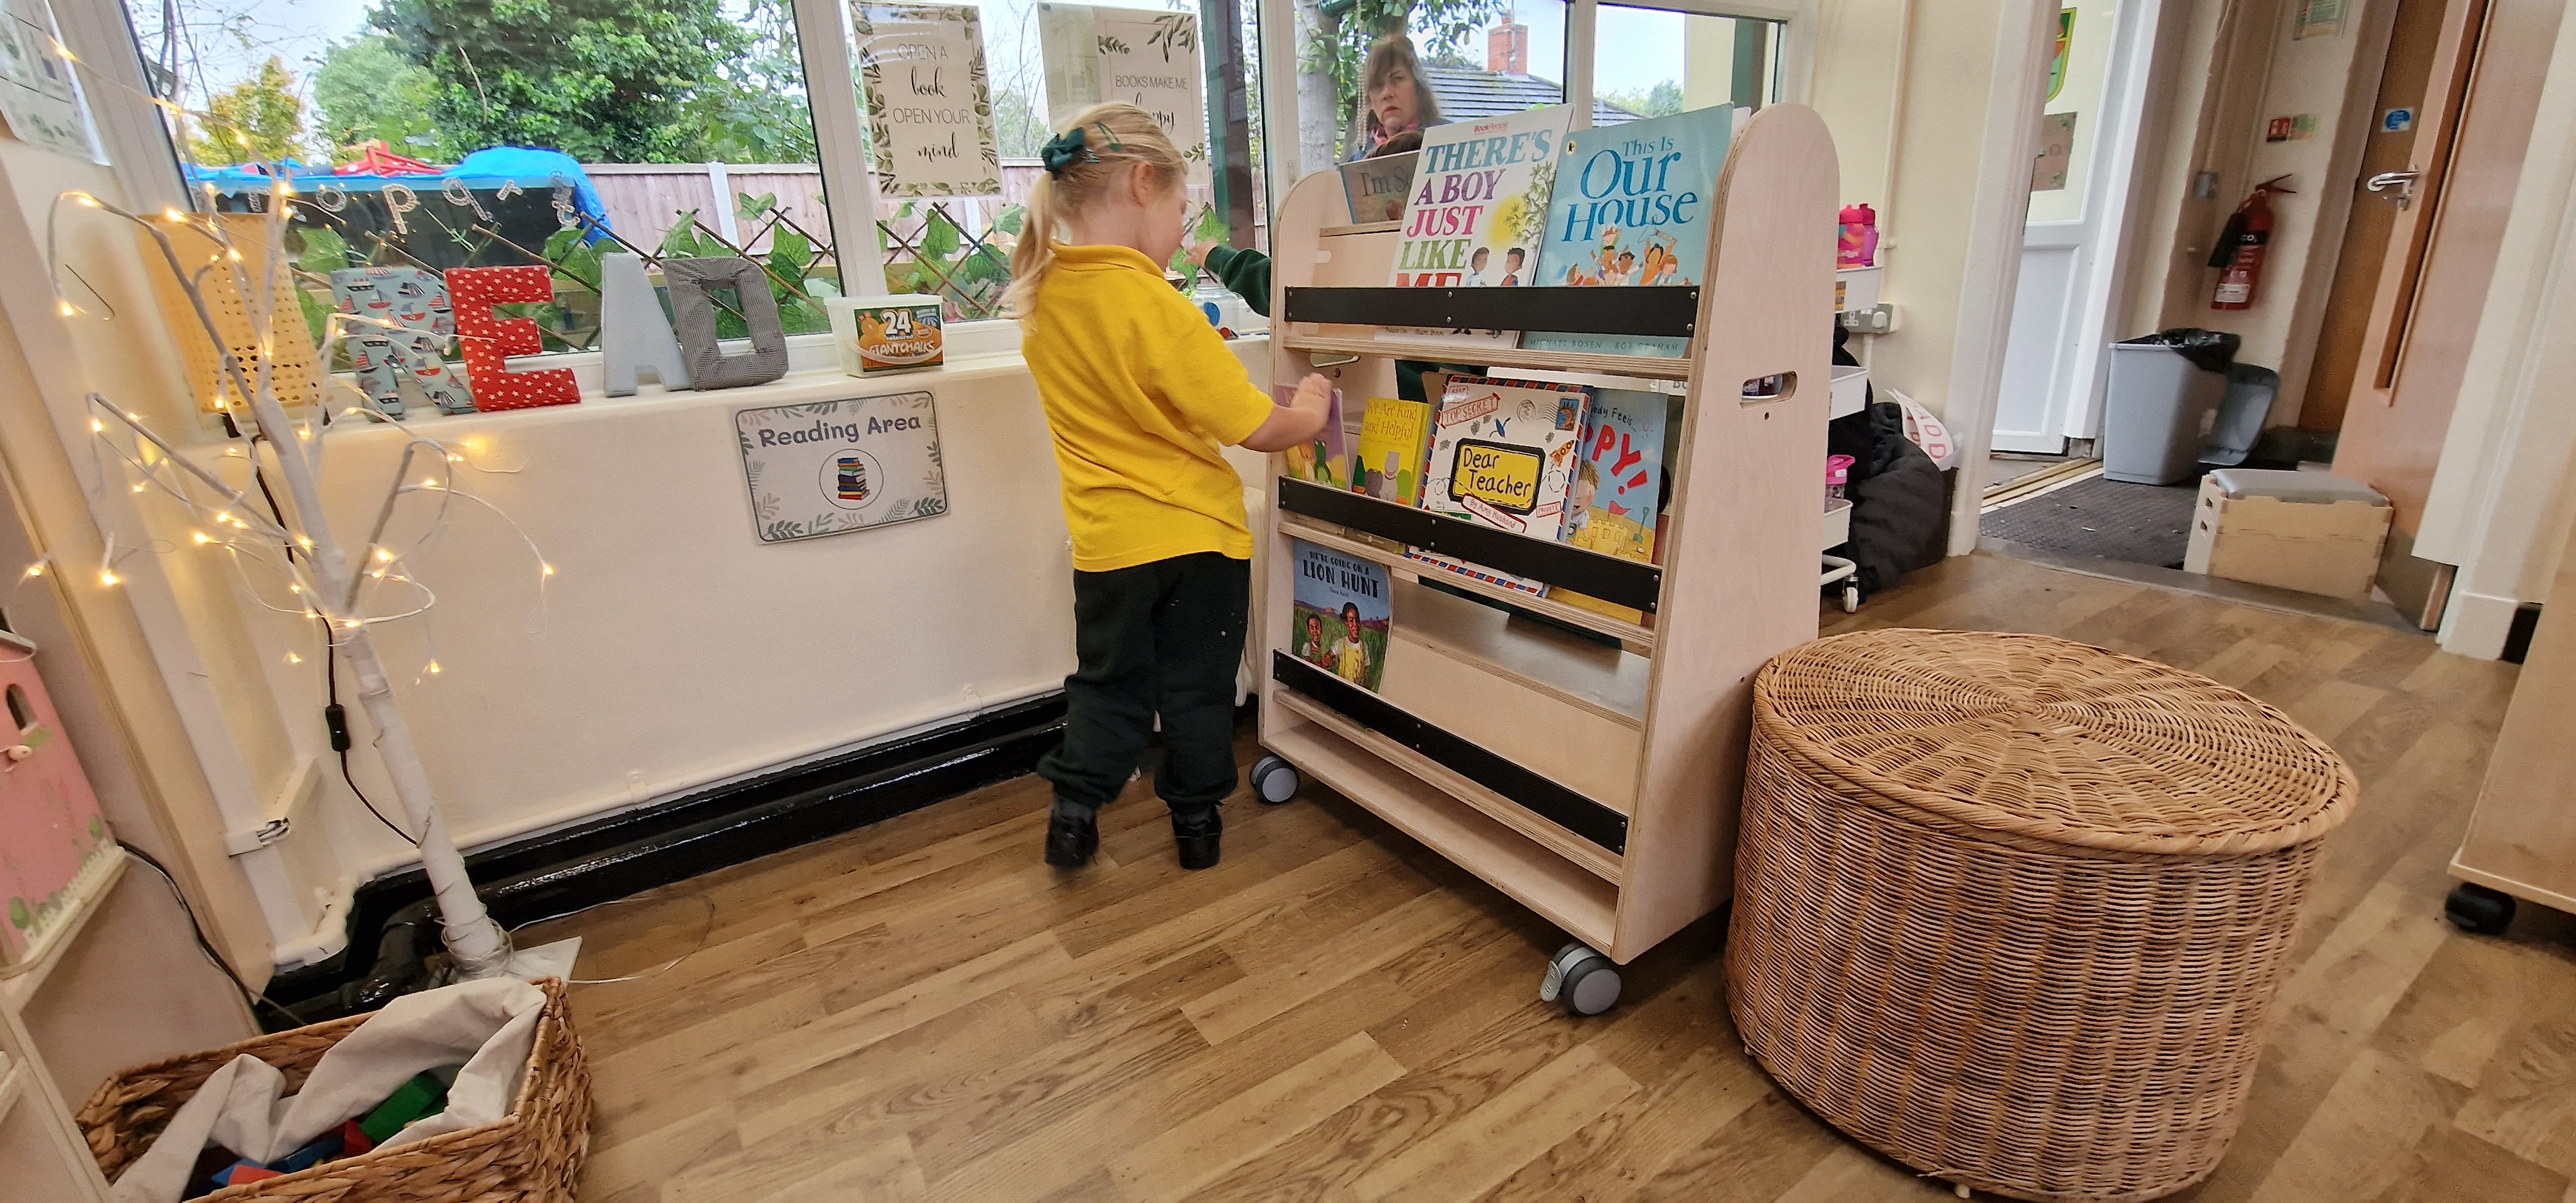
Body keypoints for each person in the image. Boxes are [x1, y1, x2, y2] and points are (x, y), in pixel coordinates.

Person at [1007, 102, 1335, 872]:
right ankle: (1196, 829)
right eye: (1182, 211)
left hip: (1109, 544)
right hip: (1199, 539)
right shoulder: (1158, 304)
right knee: (1196, 690)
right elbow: (1256, 426)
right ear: (1143, 183)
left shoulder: (1043, 297)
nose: (1182, 232)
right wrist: (1314, 406)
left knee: (1108, 684)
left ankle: (1075, 806)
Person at [1349, 35, 1443, 163]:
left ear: (1418, 86)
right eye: (1377, 85)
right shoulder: (1358, 161)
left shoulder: (1453, 142)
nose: (1387, 93)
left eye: (1397, 79)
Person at [1331, 602, 1372, 685]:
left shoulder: (1364, 647)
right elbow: (1326, 661)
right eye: (1351, 621)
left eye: (1357, 620)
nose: (1355, 625)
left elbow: (1366, 675)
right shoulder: (1341, 644)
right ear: (1346, 623)